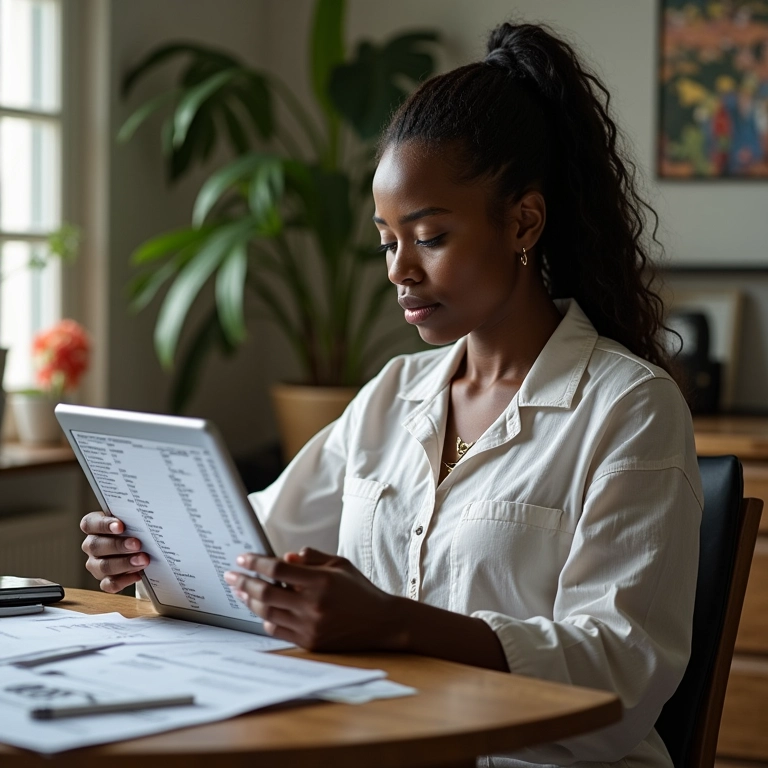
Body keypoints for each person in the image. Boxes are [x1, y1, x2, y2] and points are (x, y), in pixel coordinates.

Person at [79, 21, 702, 768]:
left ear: (522, 221)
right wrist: (154, 557)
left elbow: (618, 673)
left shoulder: (628, 408)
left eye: (429, 236)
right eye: (386, 240)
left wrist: (397, 624)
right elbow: (253, 553)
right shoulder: (393, 395)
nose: (399, 270)